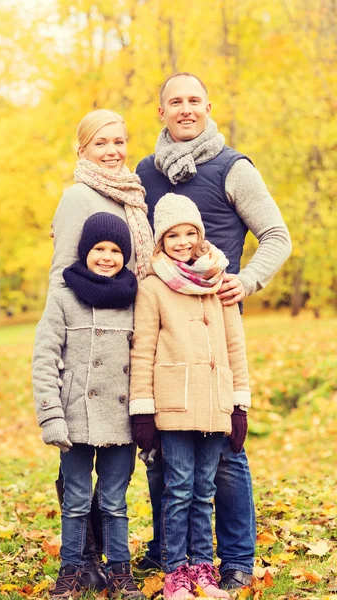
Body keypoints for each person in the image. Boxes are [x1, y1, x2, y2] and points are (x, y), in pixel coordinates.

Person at [134, 72, 292, 589]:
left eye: (193, 101)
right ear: (161, 112)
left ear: (208, 107)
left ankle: (237, 558)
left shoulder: (233, 167)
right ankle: (171, 556)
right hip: (162, 330)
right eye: (174, 102)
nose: (185, 109)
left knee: (224, 456)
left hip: (214, 329)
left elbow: (276, 235)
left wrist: (246, 282)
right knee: (164, 459)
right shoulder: (145, 172)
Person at [46, 108, 154, 595]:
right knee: (75, 491)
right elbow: (63, 269)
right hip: (82, 338)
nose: (113, 151)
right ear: (82, 149)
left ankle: (111, 567)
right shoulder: (78, 196)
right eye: (101, 143)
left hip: (124, 328)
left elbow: (140, 263)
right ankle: (80, 564)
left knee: (114, 495)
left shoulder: (131, 193)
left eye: (119, 140)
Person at [130, 193, 251, 600]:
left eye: (189, 233)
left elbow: (235, 346)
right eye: (172, 235)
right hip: (173, 405)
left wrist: (239, 404)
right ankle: (175, 573)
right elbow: (143, 348)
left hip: (215, 404)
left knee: (204, 490)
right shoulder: (152, 286)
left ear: (199, 235)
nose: (182, 241)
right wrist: (143, 410)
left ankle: (202, 569)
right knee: (178, 487)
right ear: (161, 240)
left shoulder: (220, 280)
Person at [33, 212, 147, 600]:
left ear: (125, 256)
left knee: (115, 502)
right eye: (99, 248)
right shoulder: (63, 296)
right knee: (76, 500)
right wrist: (51, 415)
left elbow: (147, 359)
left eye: (116, 250)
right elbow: (45, 357)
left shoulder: (137, 297)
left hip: (121, 419)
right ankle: (73, 569)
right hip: (75, 419)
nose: (107, 256)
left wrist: (147, 418)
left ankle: (119, 571)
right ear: (85, 252)